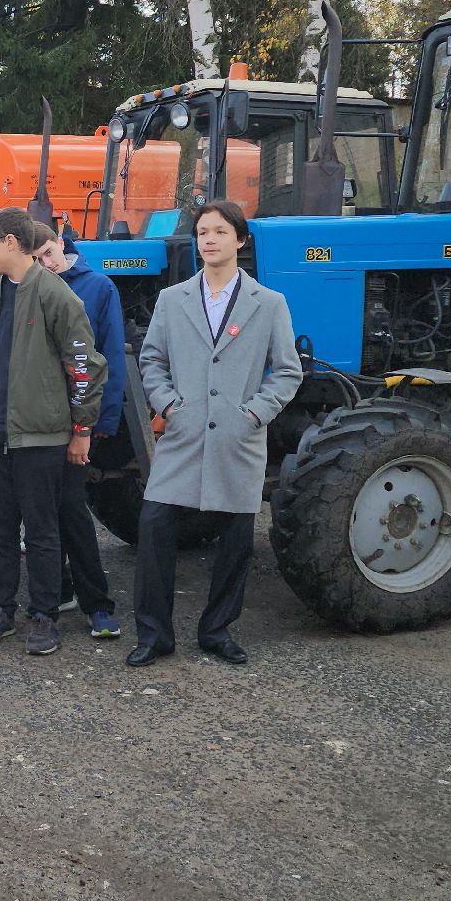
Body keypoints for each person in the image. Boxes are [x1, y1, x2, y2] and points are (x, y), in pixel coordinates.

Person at [129, 200, 302, 667]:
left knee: (237, 538)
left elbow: (287, 372)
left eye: (220, 231)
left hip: (236, 436)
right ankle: (153, 634)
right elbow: (151, 360)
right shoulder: (173, 299)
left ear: (240, 240)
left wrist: (252, 414)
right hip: (183, 433)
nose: (209, 239)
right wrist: (168, 404)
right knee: (155, 526)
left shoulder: (269, 304)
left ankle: (217, 630)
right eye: (203, 232)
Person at [0, 208, 104, 656]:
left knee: (42, 531)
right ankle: (0, 609)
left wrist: (82, 427)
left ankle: (45, 615)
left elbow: (85, 364)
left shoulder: (56, 294)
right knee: (0, 529)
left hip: (40, 436)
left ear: (9, 242)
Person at [30, 226, 126, 639]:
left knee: (72, 512)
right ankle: (57, 591)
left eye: (49, 254)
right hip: (35, 425)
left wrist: (101, 423)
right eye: (36, 259)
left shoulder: (98, 288)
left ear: (62, 246)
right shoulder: (23, 291)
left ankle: (97, 602)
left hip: (75, 423)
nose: (45, 264)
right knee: (40, 516)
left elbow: (111, 355)